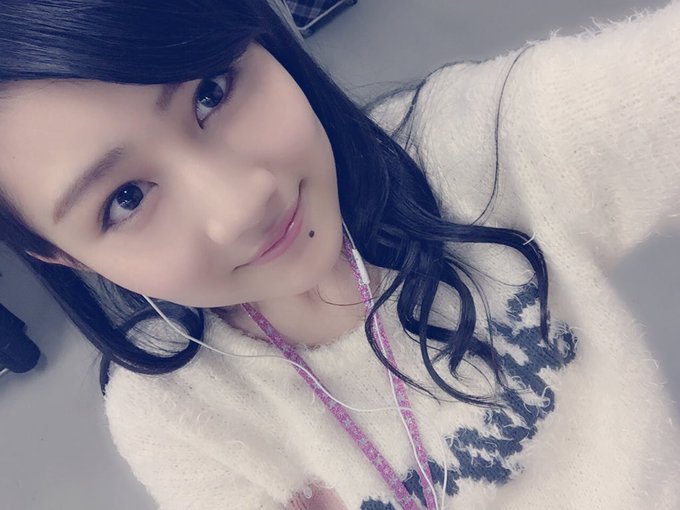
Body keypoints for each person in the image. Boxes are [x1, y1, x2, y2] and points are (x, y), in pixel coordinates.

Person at [1, 0, 679, 508]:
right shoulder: (177, 416)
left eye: (211, 92)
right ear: (64, 256)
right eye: (125, 199)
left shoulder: (483, 148)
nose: (242, 204)